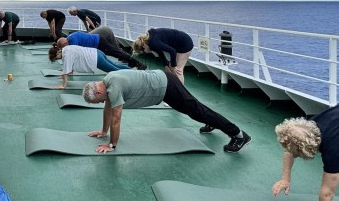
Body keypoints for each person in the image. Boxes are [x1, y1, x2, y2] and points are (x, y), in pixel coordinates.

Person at [81, 69, 250, 154]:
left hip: (166, 87)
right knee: (198, 111)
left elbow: (116, 119)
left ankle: (239, 135)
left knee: (198, 111)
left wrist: (111, 145)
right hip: (162, 80)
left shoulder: (114, 88)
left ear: (98, 92)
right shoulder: (107, 79)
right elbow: (108, 107)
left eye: (99, 100)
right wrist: (103, 131)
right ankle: (211, 122)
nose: (102, 102)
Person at [56, 29, 146, 70]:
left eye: (64, 47)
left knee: (116, 53)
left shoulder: (72, 40)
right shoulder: (70, 37)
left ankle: (138, 63)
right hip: (97, 45)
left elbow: (75, 54)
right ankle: (132, 62)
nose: (65, 49)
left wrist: (67, 67)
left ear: (64, 43)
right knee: (114, 54)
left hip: (99, 42)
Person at [47, 44, 130, 88]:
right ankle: (133, 70)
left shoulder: (67, 54)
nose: (58, 59)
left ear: (58, 53)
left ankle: (134, 72)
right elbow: (68, 66)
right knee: (115, 65)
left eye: (56, 58)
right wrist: (64, 75)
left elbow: (66, 71)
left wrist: (63, 85)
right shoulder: (66, 49)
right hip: (96, 52)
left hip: (95, 58)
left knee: (113, 70)